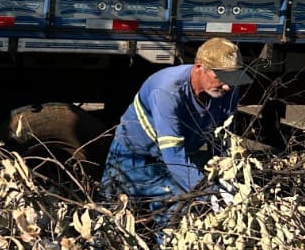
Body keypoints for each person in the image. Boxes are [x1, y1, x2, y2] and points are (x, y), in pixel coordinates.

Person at [104, 38, 251, 222]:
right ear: (199, 67)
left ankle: (166, 244)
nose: (227, 85)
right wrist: (207, 193)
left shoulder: (228, 90)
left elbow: (220, 138)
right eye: (221, 77)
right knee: (111, 217)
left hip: (180, 155)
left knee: (176, 210)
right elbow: (173, 156)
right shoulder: (168, 91)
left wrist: (225, 181)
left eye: (232, 78)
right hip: (133, 157)